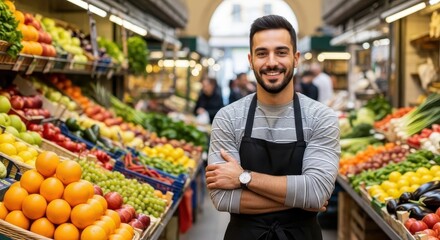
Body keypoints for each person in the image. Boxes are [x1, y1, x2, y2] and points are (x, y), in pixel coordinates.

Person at [205, 15, 340, 240]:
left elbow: (316, 192)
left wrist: (243, 178)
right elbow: (222, 198)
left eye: (281, 52)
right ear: (250, 60)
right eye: (261, 53)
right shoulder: (228, 117)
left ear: (296, 58)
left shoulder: (320, 117)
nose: (271, 62)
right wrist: (302, 201)